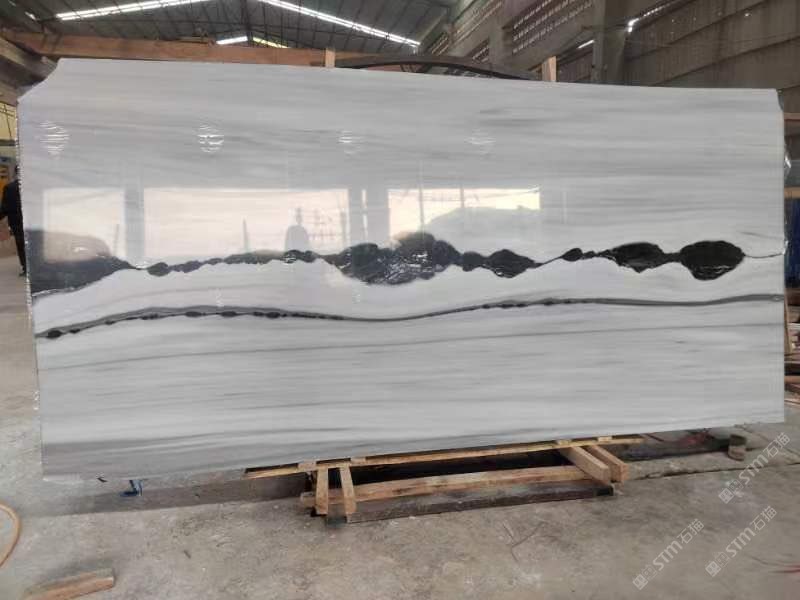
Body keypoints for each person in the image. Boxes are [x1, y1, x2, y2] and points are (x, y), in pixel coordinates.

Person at [0, 165, 25, 276]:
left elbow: (5, 208)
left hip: (17, 223)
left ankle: (26, 268)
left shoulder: (9, 188)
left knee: (21, 245)